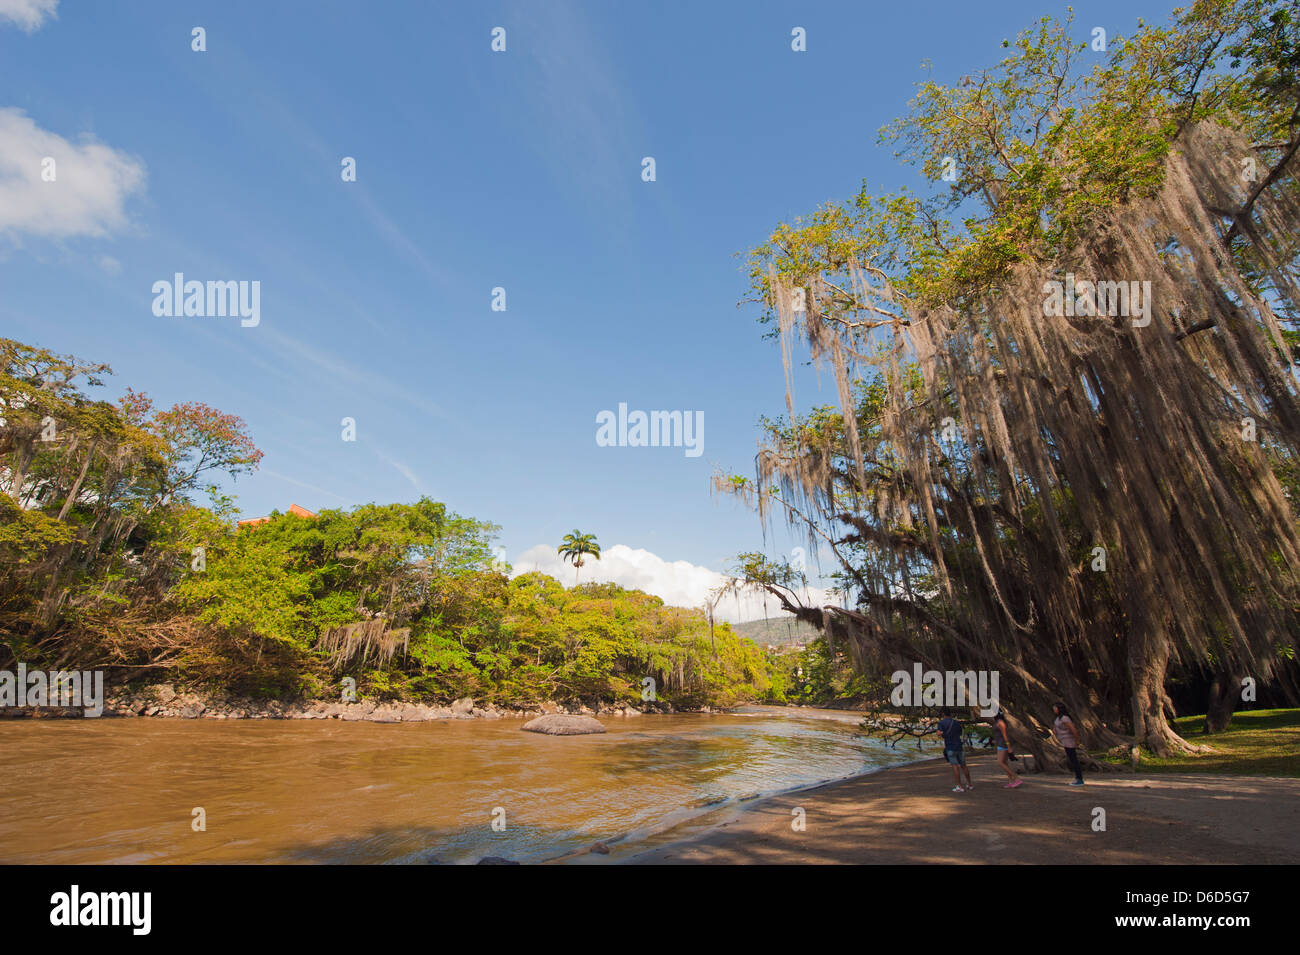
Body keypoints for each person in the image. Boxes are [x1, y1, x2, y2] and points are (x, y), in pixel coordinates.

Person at [936, 707, 973, 792]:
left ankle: (959, 786)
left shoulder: (942, 723)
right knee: (964, 765)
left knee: (955, 766)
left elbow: (938, 733)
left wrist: (942, 733)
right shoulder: (956, 723)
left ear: (943, 714)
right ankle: (970, 784)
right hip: (959, 746)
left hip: (950, 746)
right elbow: (960, 733)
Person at [1052, 702, 1085, 786]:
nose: (1054, 709)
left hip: (1069, 740)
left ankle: (1079, 779)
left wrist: (1077, 741)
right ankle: (1077, 778)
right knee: (1071, 759)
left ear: (1059, 709)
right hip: (1063, 740)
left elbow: (1073, 730)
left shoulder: (1065, 718)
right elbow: (1055, 727)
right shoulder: (1058, 718)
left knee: (1074, 759)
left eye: (1055, 708)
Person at [992, 709, 1022, 788]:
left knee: (1000, 762)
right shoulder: (997, 722)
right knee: (1005, 763)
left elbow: (1005, 736)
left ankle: (1017, 778)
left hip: (1003, 744)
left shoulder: (1001, 723)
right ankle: (1011, 781)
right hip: (999, 744)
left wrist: (1009, 747)